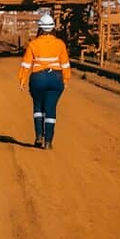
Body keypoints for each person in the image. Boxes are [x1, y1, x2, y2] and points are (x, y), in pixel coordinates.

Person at [17, 13, 70, 149]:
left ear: (40, 28)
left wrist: (22, 79)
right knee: (51, 109)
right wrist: (65, 79)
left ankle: (39, 137)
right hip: (55, 79)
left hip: (38, 79)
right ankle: (48, 142)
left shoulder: (33, 44)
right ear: (53, 28)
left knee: (38, 107)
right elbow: (65, 65)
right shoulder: (60, 44)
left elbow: (26, 64)